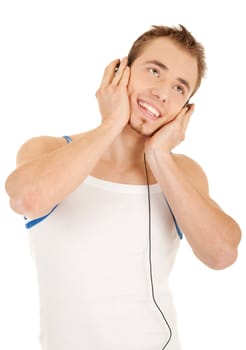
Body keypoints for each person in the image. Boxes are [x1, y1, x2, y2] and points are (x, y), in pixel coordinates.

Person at [5, 24, 241, 350]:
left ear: (185, 109)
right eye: (155, 71)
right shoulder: (47, 151)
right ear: (121, 72)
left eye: (179, 89)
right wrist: (111, 123)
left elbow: (222, 253)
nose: (162, 92)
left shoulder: (181, 172)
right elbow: (27, 198)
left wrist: (159, 156)